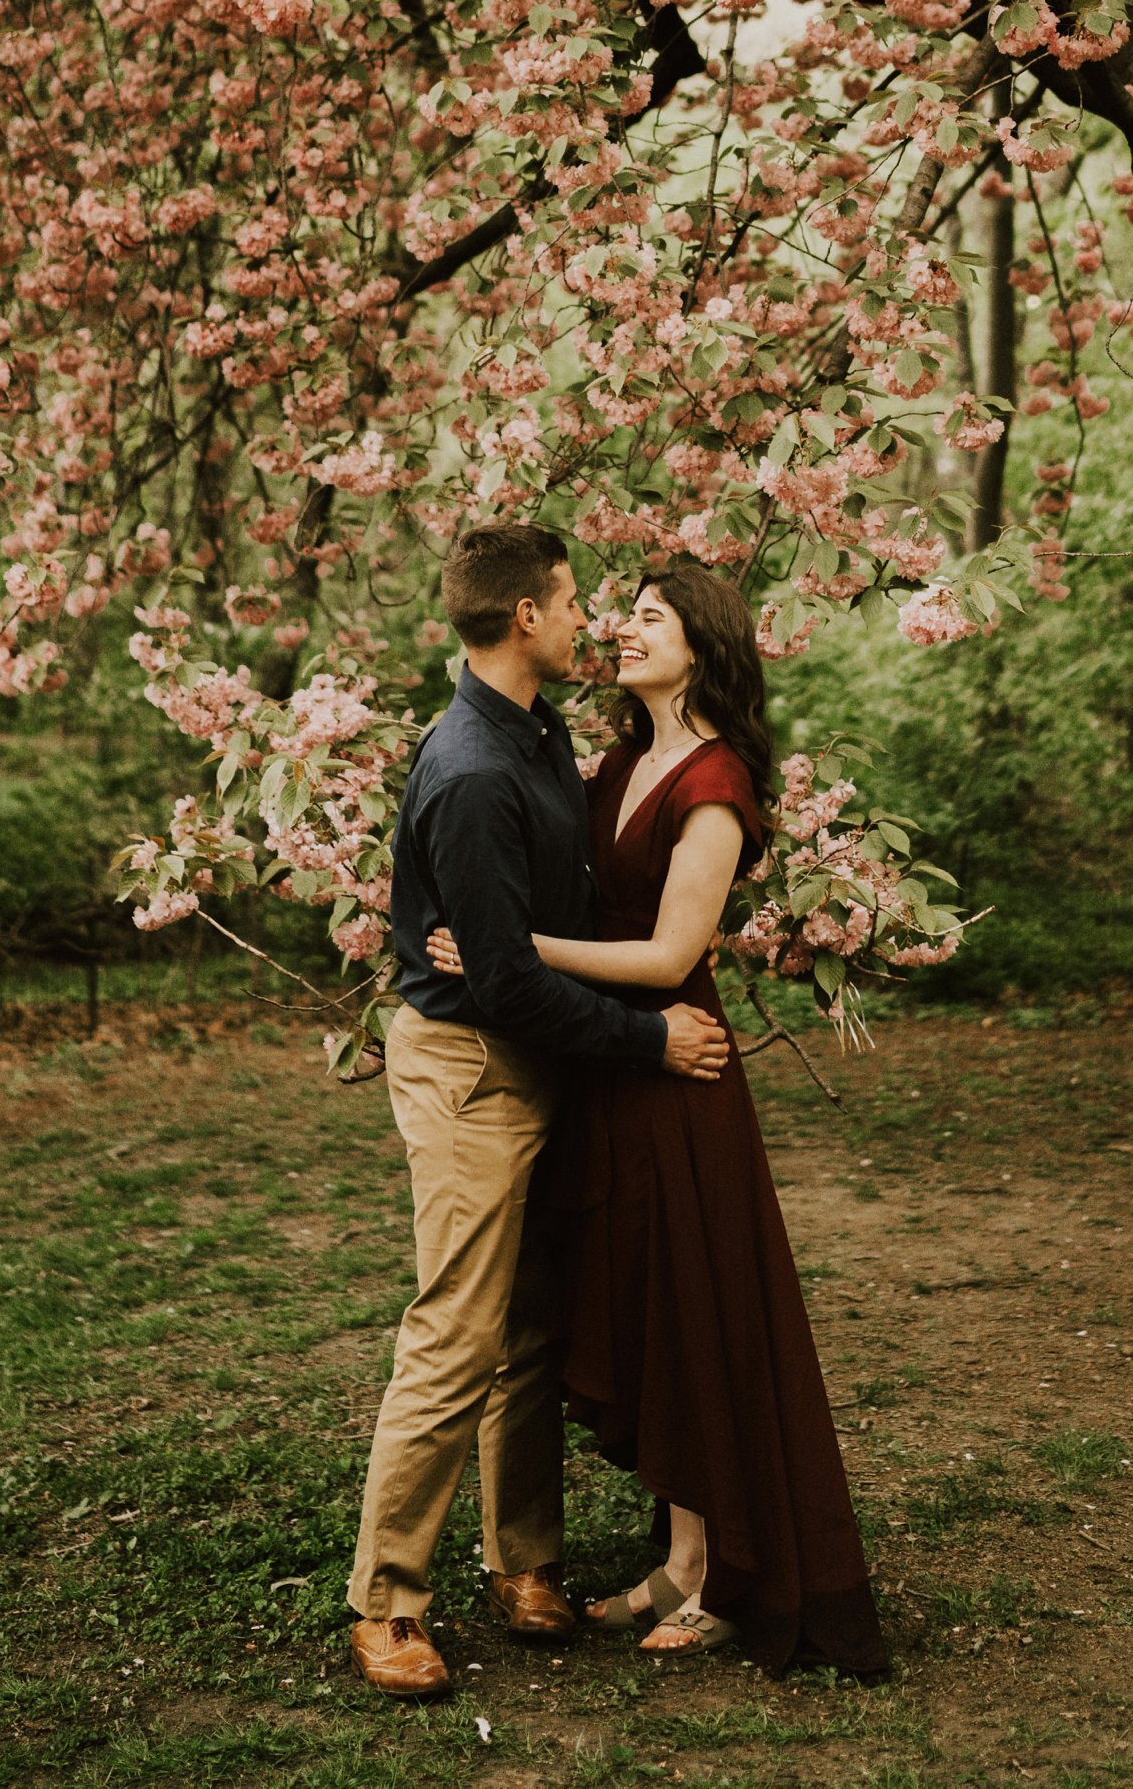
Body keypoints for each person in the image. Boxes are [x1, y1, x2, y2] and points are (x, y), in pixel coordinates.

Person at [428, 562, 888, 1679]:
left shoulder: (716, 780)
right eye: (620, 613)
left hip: (677, 1073)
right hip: (609, 1064)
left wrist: (512, 951)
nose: (621, 631)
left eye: (648, 618)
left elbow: (673, 955)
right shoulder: (628, 758)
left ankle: (716, 1571)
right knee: (648, 1310)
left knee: (694, 1313)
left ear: (704, 644)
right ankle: (678, 1556)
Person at [346, 524, 732, 1701]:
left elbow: (542, 923)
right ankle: (386, 1602)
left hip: (532, 1058)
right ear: (524, 618)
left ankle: (523, 1561)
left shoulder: (537, 730)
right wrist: (650, 1039)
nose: (586, 621)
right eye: (569, 603)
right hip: (471, 1069)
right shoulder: (468, 766)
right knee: (456, 1330)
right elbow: (500, 979)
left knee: (530, 1335)